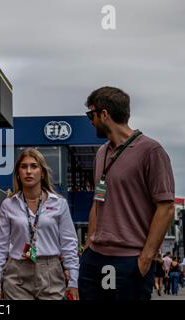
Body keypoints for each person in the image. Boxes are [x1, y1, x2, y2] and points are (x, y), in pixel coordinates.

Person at [79, 86, 175, 300]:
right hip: (94, 259)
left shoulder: (151, 151)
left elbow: (166, 208)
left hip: (129, 261)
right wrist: (88, 247)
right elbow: (98, 200)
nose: (90, 121)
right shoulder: (102, 154)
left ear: (104, 114)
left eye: (91, 115)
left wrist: (145, 259)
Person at [0, 147, 79, 300]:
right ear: (18, 173)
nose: (28, 171)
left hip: (50, 270)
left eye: (34, 166)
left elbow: (69, 244)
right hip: (17, 271)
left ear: (42, 172)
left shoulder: (59, 203)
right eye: (24, 167)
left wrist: (73, 281)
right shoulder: (8, 205)